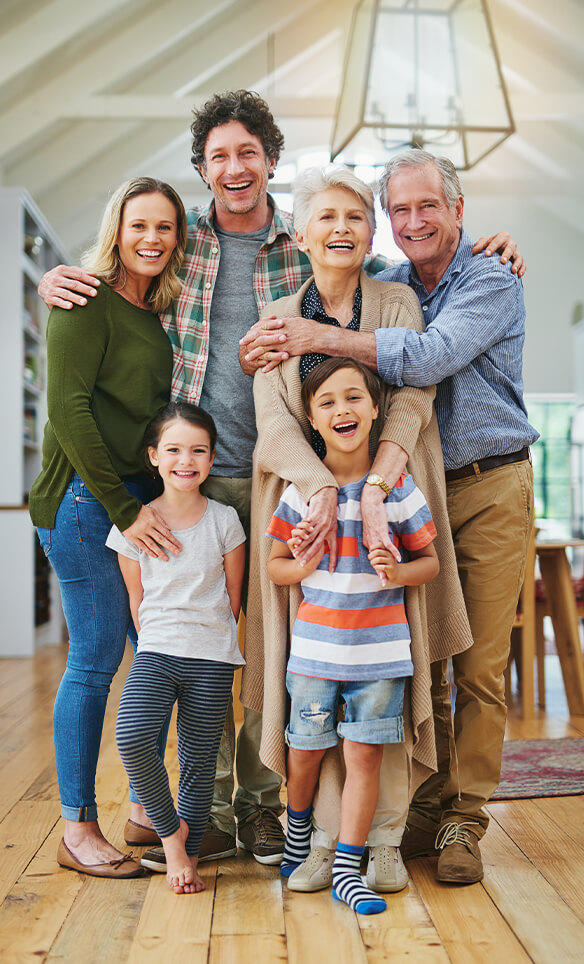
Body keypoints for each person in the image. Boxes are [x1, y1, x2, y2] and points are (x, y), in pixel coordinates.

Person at [37, 90, 524, 871]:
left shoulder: (323, 256)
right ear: (203, 168)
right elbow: (124, 263)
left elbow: (397, 317)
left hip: (338, 485)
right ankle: (207, 811)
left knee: (343, 653)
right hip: (204, 477)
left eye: (249, 153)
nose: (235, 168)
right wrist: (61, 277)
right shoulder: (178, 240)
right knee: (211, 653)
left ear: (270, 160)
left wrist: (486, 243)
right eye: (219, 156)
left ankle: (342, 816)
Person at [241, 149, 538, 885]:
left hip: (480, 485)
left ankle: (463, 821)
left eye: (426, 207)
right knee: (415, 665)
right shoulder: (395, 280)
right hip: (383, 498)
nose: (412, 221)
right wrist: (327, 491)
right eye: (398, 211)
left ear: (458, 212)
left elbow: (425, 365)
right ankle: (415, 816)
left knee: (473, 667)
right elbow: (279, 416)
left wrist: (370, 476)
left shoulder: (489, 277)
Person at [29, 177, 188, 877]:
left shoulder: (161, 311)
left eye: (165, 228)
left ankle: (145, 810)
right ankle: (76, 826)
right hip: (85, 503)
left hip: (137, 500)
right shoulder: (81, 300)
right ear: (116, 230)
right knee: (95, 661)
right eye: (139, 226)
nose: (151, 239)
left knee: (154, 657)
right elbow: (67, 411)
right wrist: (126, 511)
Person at [267, 356, 440, 914]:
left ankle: (347, 866)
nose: (342, 409)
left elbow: (431, 563)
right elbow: (274, 568)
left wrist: (396, 571)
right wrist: (302, 560)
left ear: (374, 409)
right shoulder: (300, 494)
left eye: (353, 398)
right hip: (314, 657)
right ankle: (298, 833)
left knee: (365, 759)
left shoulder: (397, 489)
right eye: (327, 403)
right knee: (306, 756)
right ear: (313, 422)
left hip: (381, 658)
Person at [107, 403, 246, 895]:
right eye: (174, 449)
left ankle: (185, 847)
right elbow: (135, 597)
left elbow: (233, 597)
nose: (186, 460)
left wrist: (211, 639)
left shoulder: (226, 520)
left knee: (199, 758)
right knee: (132, 737)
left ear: (211, 460)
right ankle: (172, 837)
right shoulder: (134, 526)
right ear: (153, 456)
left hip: (211, 656)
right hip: (157, 652)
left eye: (198, 451)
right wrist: (158, 640)